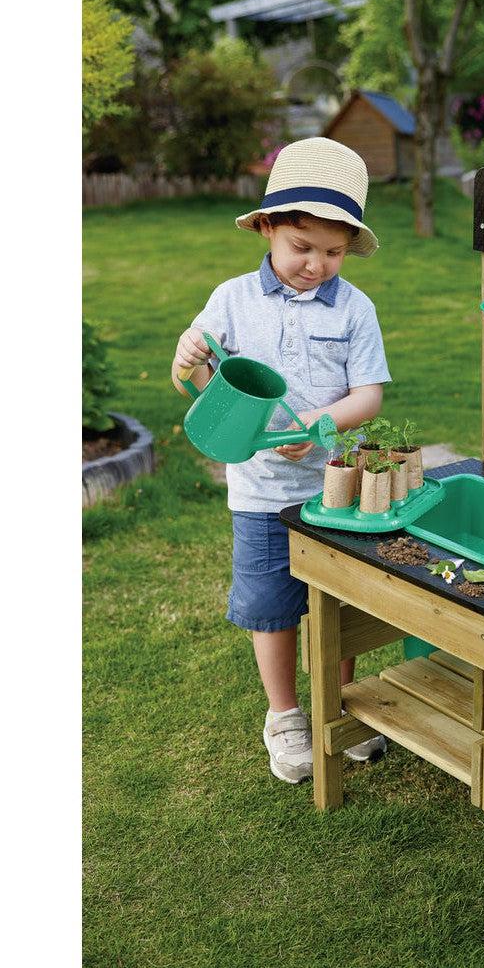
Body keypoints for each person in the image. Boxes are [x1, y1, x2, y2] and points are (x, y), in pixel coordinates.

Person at [171, 138, 390, 784]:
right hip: (262, 489)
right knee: (271, 604)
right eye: (302, 246)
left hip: (334, 486)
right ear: (267, 228)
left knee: (340, 601)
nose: (316, 264)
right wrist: (190, 353)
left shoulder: (355, 309)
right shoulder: (233, 299)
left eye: (333, 251)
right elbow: (198, 376)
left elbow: (369, 393)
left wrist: (322, 424)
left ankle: (338, 703)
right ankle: (286, 715)